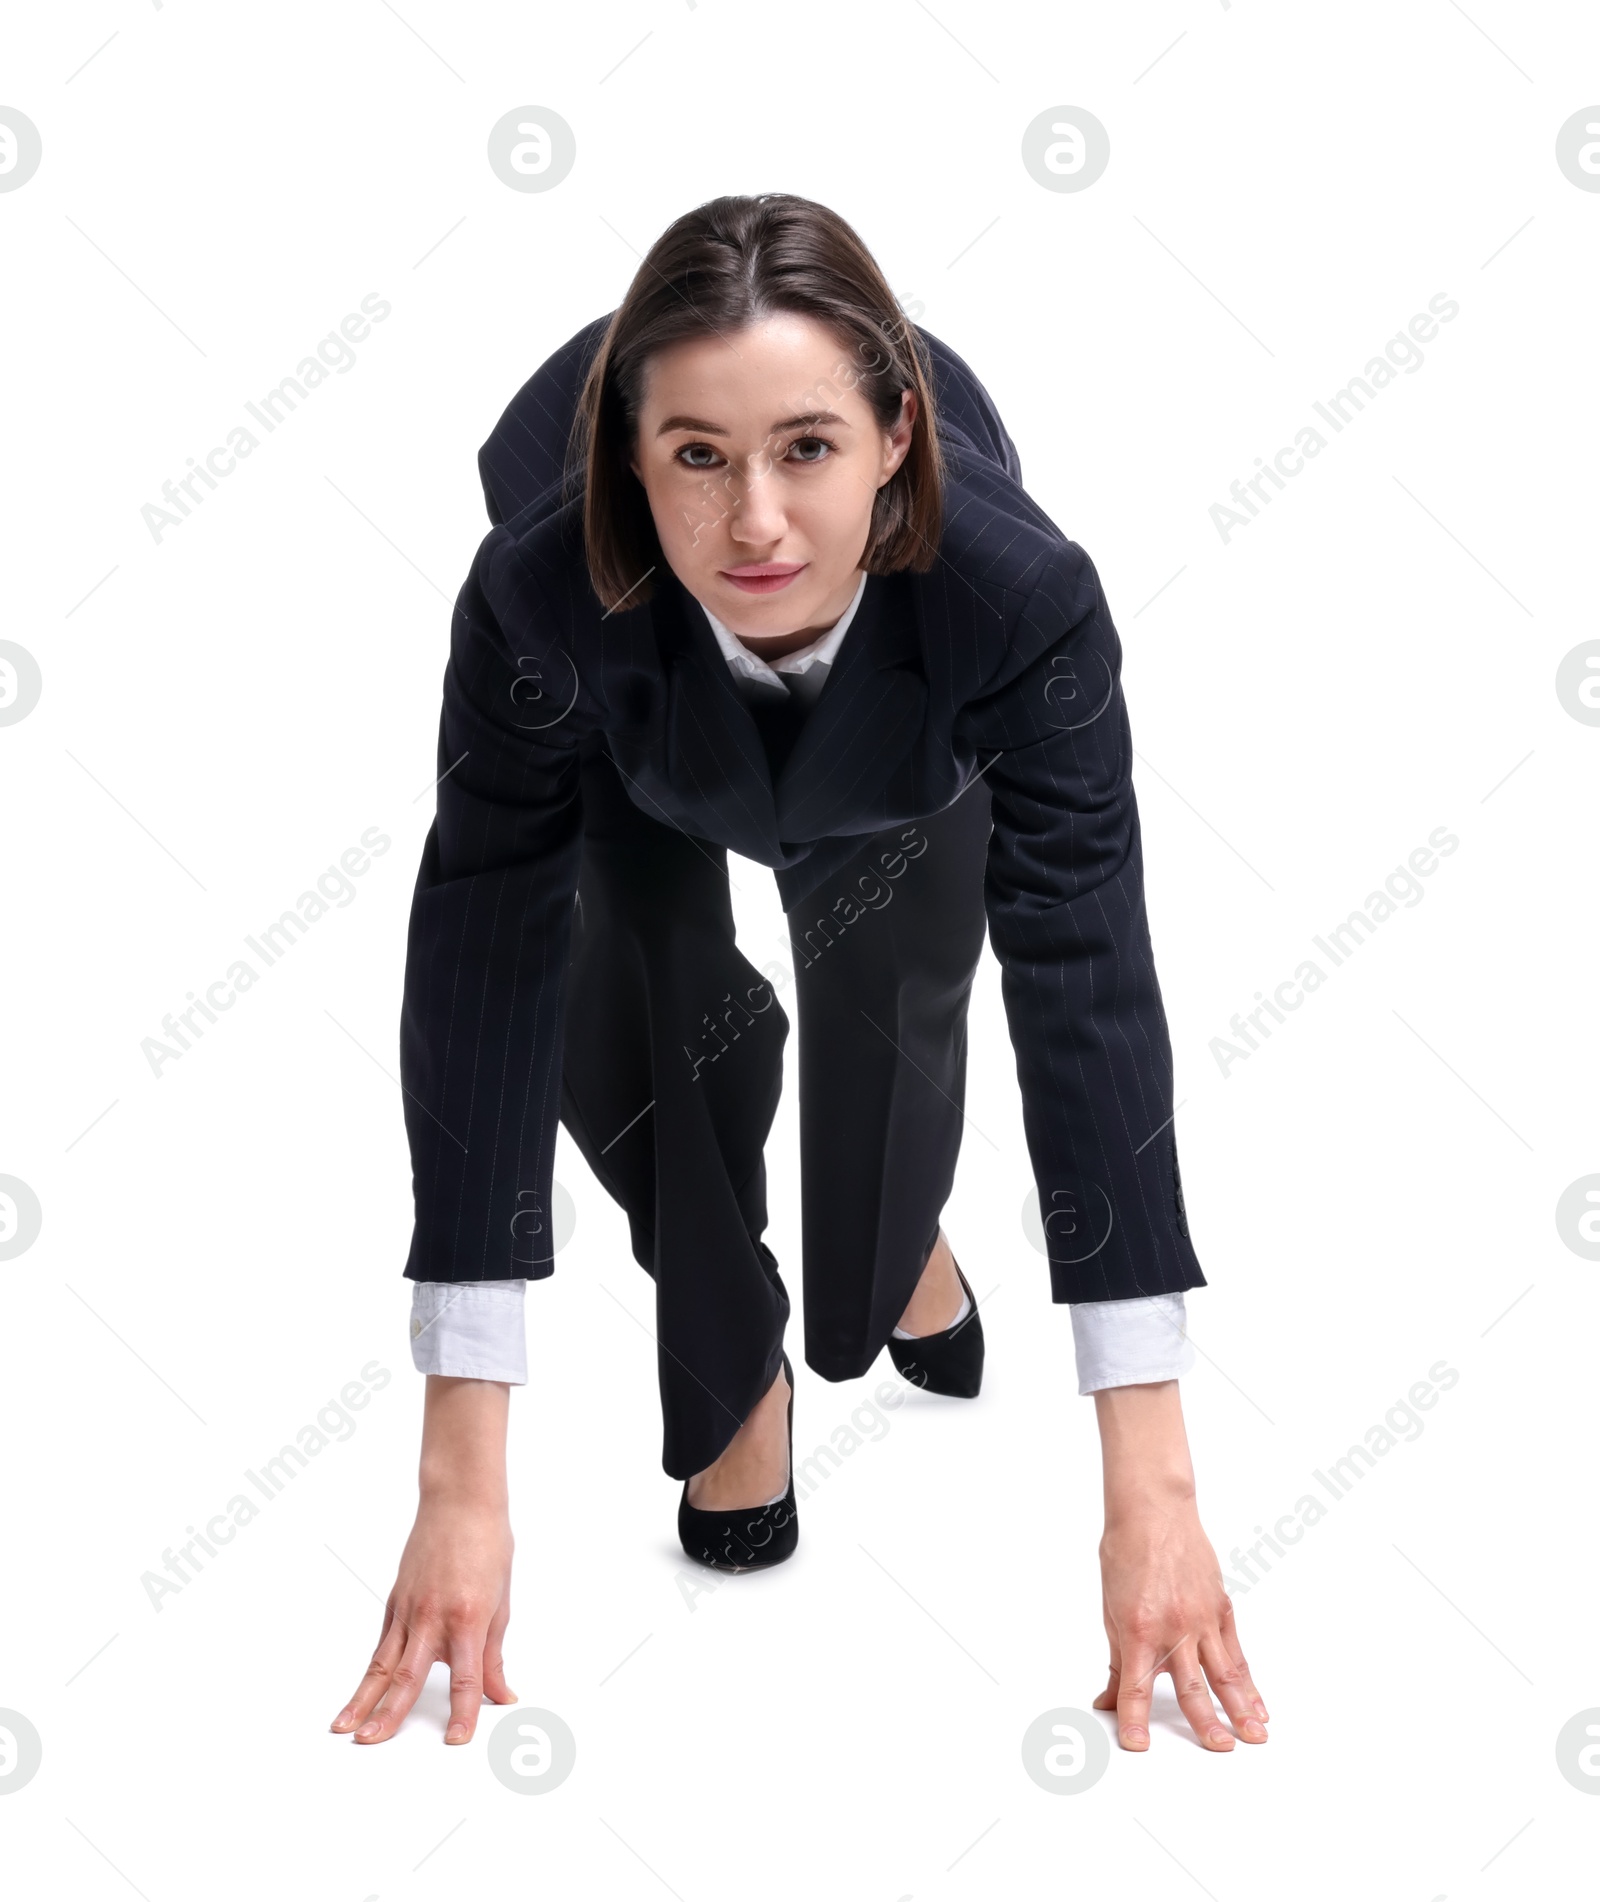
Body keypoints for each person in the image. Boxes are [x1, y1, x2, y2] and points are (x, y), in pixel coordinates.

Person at [329, 192, 1269, 1758]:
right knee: (619, 987)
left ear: (896, 439)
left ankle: (894, 1256)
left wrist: (1154, 1489)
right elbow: (483, 950)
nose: (755, 520)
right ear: (634, 460)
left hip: (902, 748)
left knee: (889, 1010)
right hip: (638, 724)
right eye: (697, 455)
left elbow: (1085, 973)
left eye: (808, 450)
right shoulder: (539, 594)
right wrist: (458, 1479)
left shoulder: (1016, 606)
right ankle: (730, 1373)